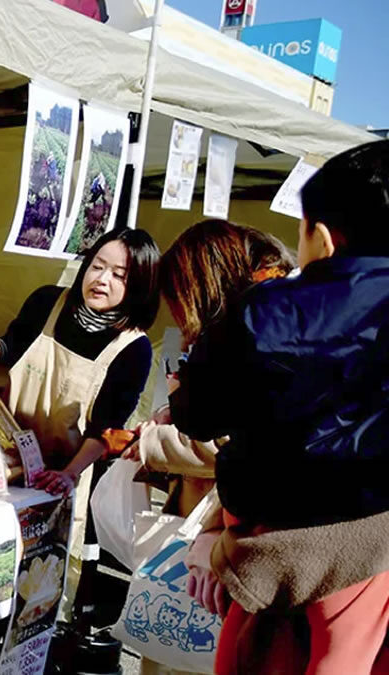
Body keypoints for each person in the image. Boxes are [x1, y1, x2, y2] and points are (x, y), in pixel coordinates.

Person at [171, 140, 389, 674]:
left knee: (251, 647)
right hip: (373, 535)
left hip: (269, 531)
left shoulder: (265, 310)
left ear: (321, 236)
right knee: (345, 656)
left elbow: (198, 414)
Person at [0, 227, 160, 620]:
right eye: (97, 266)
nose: (101, 280)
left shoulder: (134, 348)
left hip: (63, 478)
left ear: (140, 286)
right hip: (7, 463)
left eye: (119, 275)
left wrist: (68, 474)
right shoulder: (48, 300)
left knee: (37, 592)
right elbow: (11, 348)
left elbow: (105, 431)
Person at [120, 221, 294, 675]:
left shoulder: (263, 329)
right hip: (226, 530)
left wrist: (155, 442)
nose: (179, 318)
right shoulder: (274, 311)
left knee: (196, 654)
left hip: (234, 537)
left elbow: (234, 444)